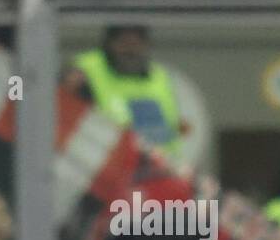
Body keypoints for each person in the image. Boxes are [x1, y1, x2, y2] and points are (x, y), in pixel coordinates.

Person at [63, 26, 189, 162]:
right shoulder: (87, 69)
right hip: (109, 169)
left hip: (159, 169)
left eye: (137, 44)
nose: (131, 50)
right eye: (124, 43)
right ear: (109, 44)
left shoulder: (159, 76)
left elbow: (170, 128)